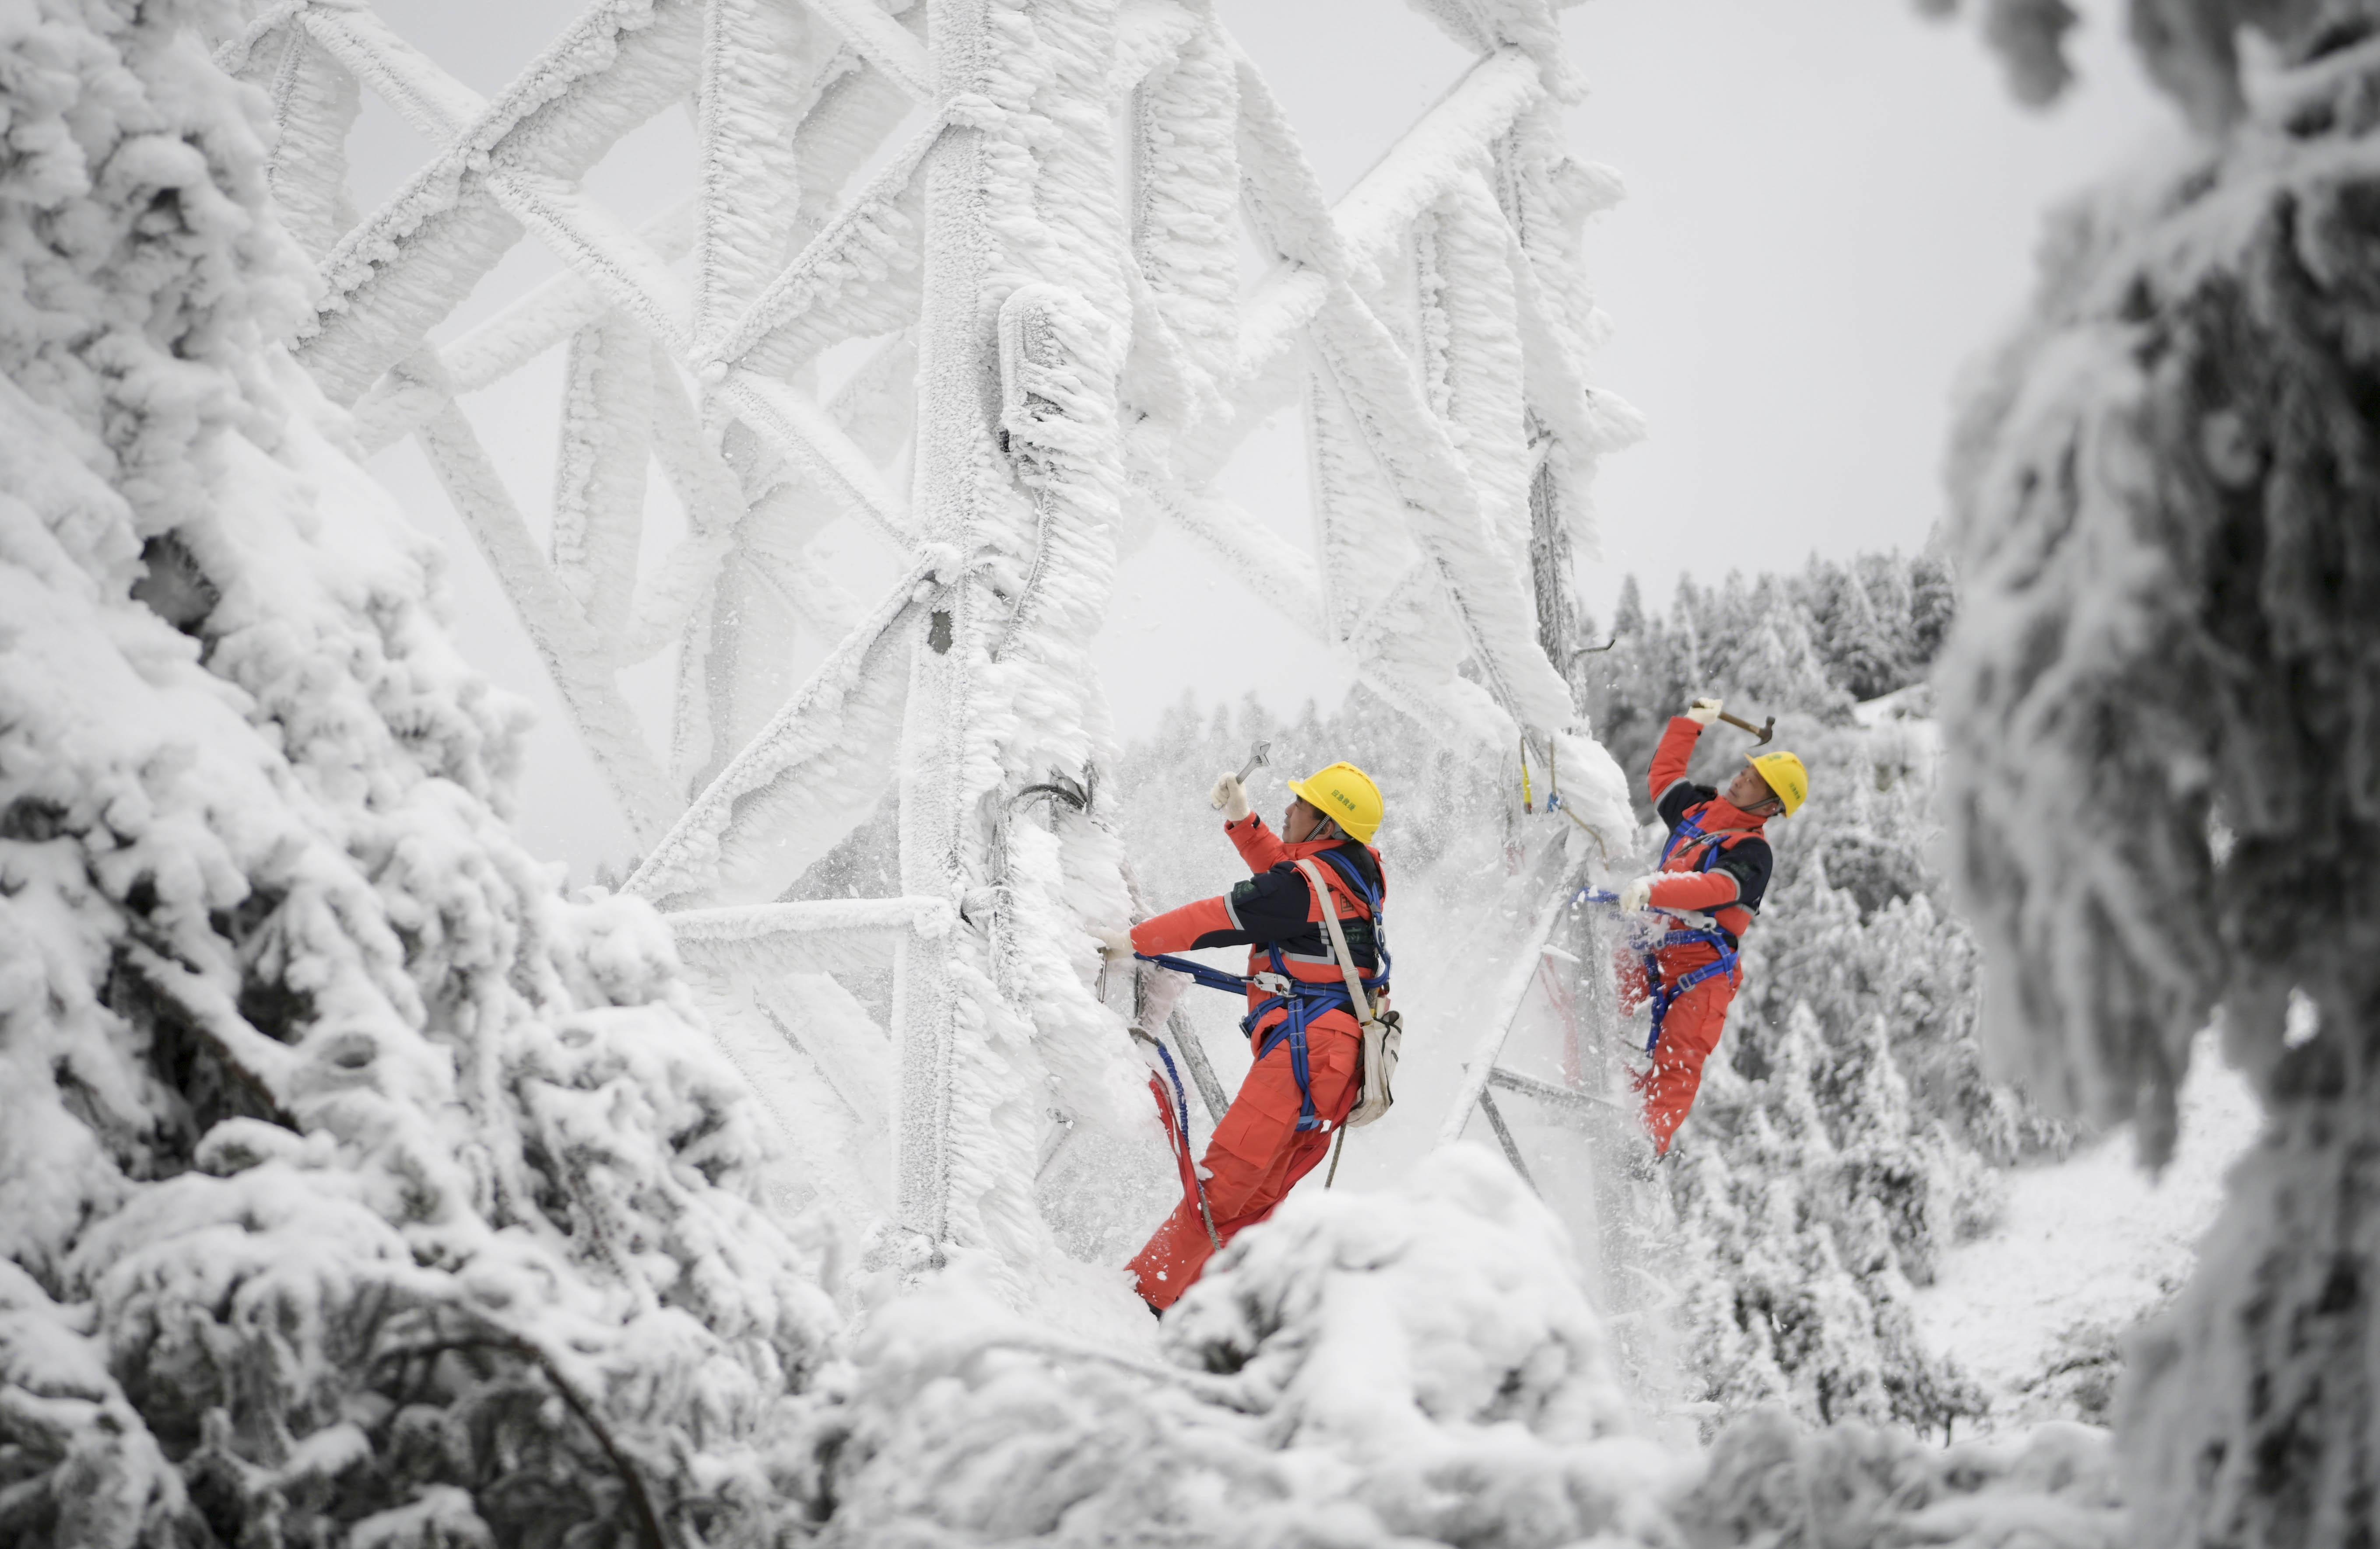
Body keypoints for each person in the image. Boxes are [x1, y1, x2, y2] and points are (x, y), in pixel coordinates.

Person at [1096, 761, 1387, 1313]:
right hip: (1339, 1065)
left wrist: (1133, 942)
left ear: (1326, 825)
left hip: (1308, 1052)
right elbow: (1294, 882)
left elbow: (1222, 916)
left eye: (1300, 806)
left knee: (1224, 1188)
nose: (1289, 810)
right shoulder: (1358, 873)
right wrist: (1243, 821)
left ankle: (1142, 1301)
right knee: (1256, 1200)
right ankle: (1214, 1316)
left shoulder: (1302, 889)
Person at [1616, 697, 1808, 1156]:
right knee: (1598, 997)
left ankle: (1645, 1143)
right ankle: (1602, 1084)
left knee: (1678, 1059)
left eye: (1756, 781)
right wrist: (1689, 723)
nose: (1742, 777)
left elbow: (1714, 889)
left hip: (1702, 971)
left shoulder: (1751, 852)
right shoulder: (1698, 811)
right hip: (1655, 946)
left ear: (1771, 806)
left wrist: (1654, 890)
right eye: (1748, 770)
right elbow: (1662, 778)